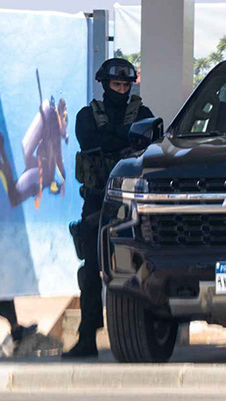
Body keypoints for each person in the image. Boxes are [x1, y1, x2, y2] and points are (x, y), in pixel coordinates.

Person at [62, 58, 154, 358]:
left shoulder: (143, 114)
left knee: (138, 267)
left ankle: (141, 336)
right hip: (96, 200)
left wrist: (115, 139)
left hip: (131, 201)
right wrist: (126, 138)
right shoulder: (87, 115)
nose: (122, 90)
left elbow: (151, 142)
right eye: (117, 85)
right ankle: (87, 337)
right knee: (90, 271)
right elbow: (91, 140)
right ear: (105, 84)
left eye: (126, 86)